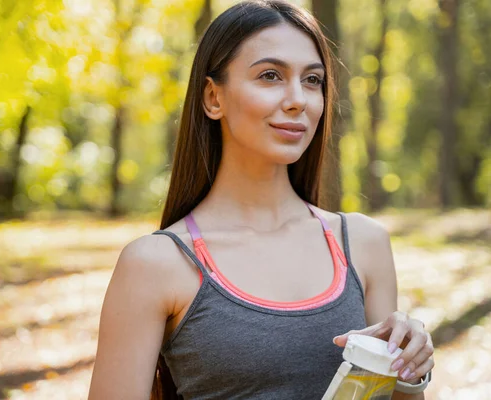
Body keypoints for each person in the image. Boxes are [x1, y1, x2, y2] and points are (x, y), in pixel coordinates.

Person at [88, 1, 434, 399]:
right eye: (270, 76)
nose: (297, 100)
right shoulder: (155, 264)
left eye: (313, 80)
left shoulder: (365, 244)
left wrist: (409, 374)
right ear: (213, 98)